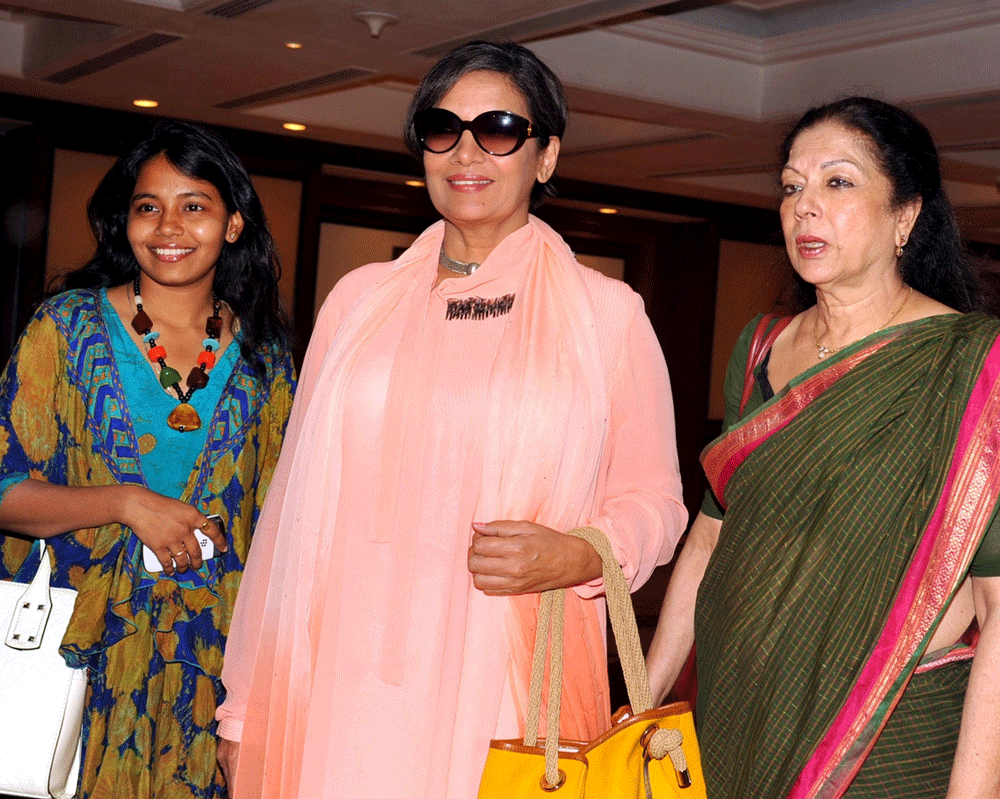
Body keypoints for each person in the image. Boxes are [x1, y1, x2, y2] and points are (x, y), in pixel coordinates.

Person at [215, 40, 687, 799]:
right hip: (342, 679)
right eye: (443, 128)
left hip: (500, 677)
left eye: (499, 128)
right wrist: (246, 711)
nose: (467, 150)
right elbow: (289, 518)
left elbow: (658, 502)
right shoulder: (358, 301)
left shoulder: (607, 317)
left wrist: (579, 554)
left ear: (547, 155)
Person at [646, 96, 1000, 798]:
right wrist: (644, 698)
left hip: (885, 734)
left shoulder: (971, 365)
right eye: (791, 186)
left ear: (906, 215)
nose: (804, 206)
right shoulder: (759, 350)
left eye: (838, 182)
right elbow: (709, 545)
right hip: (737, 716)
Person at [0, 120, 296, 799]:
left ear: (233, 224)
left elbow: (288, 522)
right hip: (76, 652)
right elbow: (5, 487)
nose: (168, 225)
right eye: (147, 206)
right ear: (124, 221)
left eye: (194, 205)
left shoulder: (265, 359)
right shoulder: (66, 329)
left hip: (212, 668)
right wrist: (124, 502)